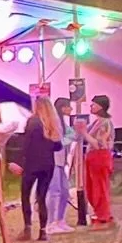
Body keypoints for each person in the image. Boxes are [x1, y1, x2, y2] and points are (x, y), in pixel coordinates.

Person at [15, 96, 61, 243]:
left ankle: (27, 228)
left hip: (32, 164)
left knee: (26, 195)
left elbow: (26, 144)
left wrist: (19, 161)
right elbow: (58, 146)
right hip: (48, 165)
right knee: (41, 198)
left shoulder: (32, 121)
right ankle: (43, 232)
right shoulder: (52, 123)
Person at [82, 95, 116, 227]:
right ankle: (99, 212)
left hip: (100, 157)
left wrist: (84, 133)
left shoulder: (104, 123)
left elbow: (99, 144)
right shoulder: (97, 122)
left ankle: (103, 215)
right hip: (93, 156)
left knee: (99, 187)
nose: (91, 107)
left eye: (94, 104)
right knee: (92, 187)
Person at [46, 97, 75, 234]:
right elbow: (58, 140)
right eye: (68, 106)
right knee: (54, 191)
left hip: (62, 161)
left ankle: (60, 220)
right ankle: (50, 222)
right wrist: (68, 139)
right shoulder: (54, 122)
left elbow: (71, 134)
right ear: (62, 107)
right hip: (54, 161)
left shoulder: (63, 124)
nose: (71, 109)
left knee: (64, 191)